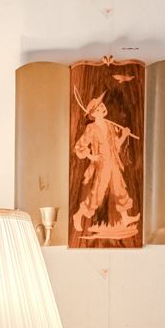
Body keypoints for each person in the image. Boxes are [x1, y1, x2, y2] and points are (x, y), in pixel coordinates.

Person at [72, 91, 138, 240]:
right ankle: (79, 215)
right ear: (93, 114)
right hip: (102, 164)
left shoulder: (109, 126)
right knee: (97, 192)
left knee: (119, 187)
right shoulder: (91, 129)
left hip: (113, 162)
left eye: (101, 105)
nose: (102, 108)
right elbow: (79, 146)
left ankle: (125, 218)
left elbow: (116, 146)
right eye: (98, 108)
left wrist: (124, 135)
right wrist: (91, 156)